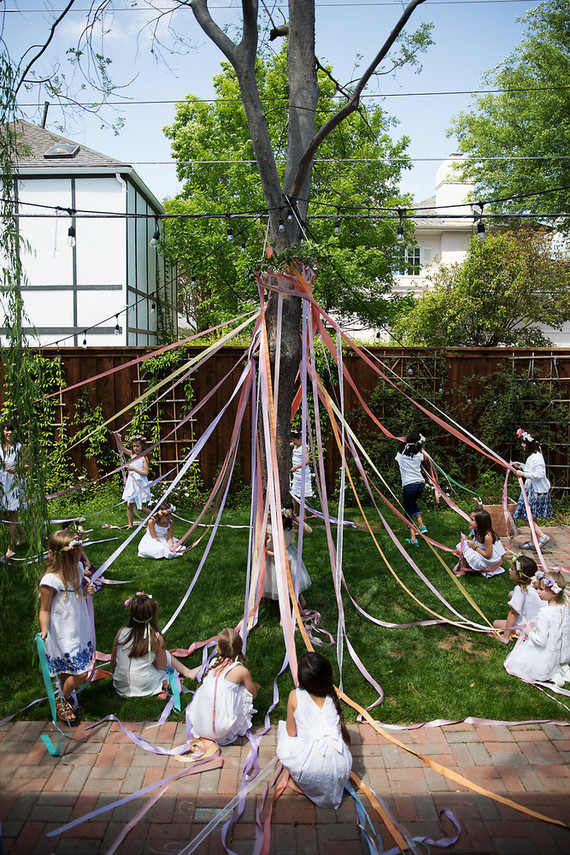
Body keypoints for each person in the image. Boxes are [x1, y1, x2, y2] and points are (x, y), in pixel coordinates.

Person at [276, 651, 352, 809]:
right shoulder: (332, 696)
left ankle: (303, 785)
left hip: (312, 767)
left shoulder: (294, 695)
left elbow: (292, 733)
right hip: (342, 766)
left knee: (284, 734)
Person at [39, 530, 95, 724]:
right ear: (64, 554)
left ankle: (67, 697)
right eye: (76, 548)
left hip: (78, 626)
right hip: (61, 632)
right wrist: (44, 630)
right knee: (81, 672)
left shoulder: (78, 569)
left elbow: (77, 593)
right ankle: (61, 700)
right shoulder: (50, 581)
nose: (80, 551)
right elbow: (44, 609)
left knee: (68, 670)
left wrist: (86, 591)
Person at [111, 593, 198, 697]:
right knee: (163, 655)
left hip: (120, 685)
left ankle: (172, 679)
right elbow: (161, 666)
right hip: (144, 685)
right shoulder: (155, 638)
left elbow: (113, 661)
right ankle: (183, 674)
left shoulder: (121, 632)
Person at [186, 627, 258, 745]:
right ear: (240, 647)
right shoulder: (241, 670)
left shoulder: (214, 662)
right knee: (242, 690)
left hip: (199, 725)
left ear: (218, 648)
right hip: (221, 730)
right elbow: (253, 694)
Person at [504, 571, 570, 686]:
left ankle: (551, 672)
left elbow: (541, 641)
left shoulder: (544, 612)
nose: (537, 592)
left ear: (554, 593)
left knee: (517, 662)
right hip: (563, 654)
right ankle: (560, 669)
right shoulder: (564, 607)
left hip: (547, 658)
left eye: (542, 589)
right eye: (537, 588)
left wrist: (529, 632)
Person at [263, 506, 312, 608]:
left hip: (289, 556)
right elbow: (261, 549)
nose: (282, 521)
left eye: (285, 518)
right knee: (279, 582)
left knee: (293, 577)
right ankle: (284, 608)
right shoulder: (269, 529)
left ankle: (299, 600)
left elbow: (309, 530)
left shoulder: (290, 526)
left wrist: (296, 519)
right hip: (275, 559)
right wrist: (274, 555)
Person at [512, 428, 552, 550]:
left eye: (524, 443)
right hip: (532, 489)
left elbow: (539, 474)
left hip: (535, 491)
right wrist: (522, 466)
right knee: (531, 516)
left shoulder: (537, 457)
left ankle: (542, 536)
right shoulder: (533, 456)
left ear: (530, 444)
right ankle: (534, 541)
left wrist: (523, 474)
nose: (522, 445)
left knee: (526, 516)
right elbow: (532, 470)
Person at [492, 555, 545, 639]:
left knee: (496, 623)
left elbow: (512, 614)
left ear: (521, 575)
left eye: (512, 569)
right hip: (541, 622)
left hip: (530, 626)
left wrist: (506, 635)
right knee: (511, 594)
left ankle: (517, 631)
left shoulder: (520, 589)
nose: (509, 570)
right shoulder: (533, 584)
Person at [395, 432, 428, 546]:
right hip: (420, 484)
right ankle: (421, 525)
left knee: (407, 510)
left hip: (409, 485)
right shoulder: (418, 455)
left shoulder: (401, 455)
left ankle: (413, 539)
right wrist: (421, 448)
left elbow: (399, 456)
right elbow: (426, 459)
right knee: (412, 503)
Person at [453, 509, 505, 578]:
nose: (469, 521)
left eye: (472, 520)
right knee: (464, 545)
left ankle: (464, 570)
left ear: (480, 523)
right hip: (480, 550)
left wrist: (475, 547)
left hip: (488, 558)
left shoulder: (487, 536)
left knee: (466, 549)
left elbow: (488, 555)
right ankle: (465, 566)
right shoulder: (475, 530)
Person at [0, 420, 26, 557]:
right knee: (4, 516)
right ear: (3, 432)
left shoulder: (20, 447)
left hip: (15, 483)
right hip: (3, 484)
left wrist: (17, 468)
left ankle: (10, 548)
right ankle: (21, 531)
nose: (9, 432)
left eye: (11, 430)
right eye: (6, 430)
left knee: (12, 515)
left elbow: (28, 466)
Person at [121, 435, 151, 528]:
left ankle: (156, 515)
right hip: (131, 483)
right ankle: (130, 525)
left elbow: (145, 472)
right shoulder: (132, 455)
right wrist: (117, 437)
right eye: (134, 446)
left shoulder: (144, 458)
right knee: (129, 505)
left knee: (140, 507)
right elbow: (121, 448)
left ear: (142, 446)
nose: (136, 448)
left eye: (138, 446)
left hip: (140, 483)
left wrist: (133, 468)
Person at [290, 430, 313, 508]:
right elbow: (288, 445)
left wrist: (296, 467)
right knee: (294, 493)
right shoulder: (295, 445)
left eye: (294, 440)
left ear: (300, 438)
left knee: (302, 495)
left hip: (303, 474)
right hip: (296, 475)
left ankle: (304, 513)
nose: (293, 442)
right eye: (292, 440)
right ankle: (293, 512)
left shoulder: (304, 447)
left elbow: (307, 461)